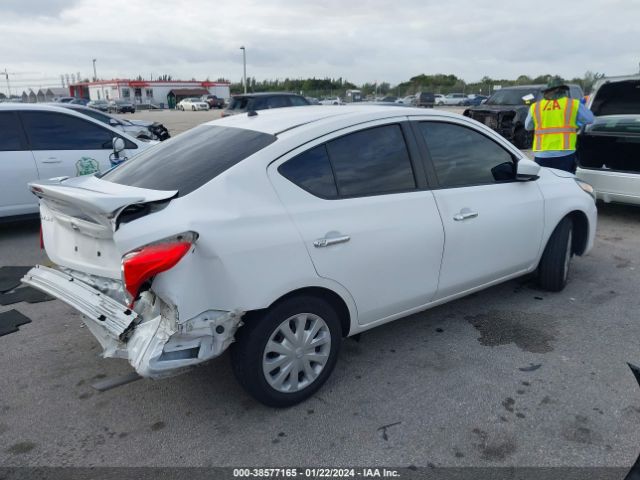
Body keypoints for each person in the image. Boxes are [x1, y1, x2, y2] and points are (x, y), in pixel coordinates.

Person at [525, 78, 595, 173]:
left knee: (544, 184)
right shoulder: (572, 104)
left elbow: (527, 127)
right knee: (565, 183)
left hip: (542, 154)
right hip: (565, 153)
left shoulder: (536, 107)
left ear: (548, 91)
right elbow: (590, 119)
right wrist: (576, 123)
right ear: (563, 90)